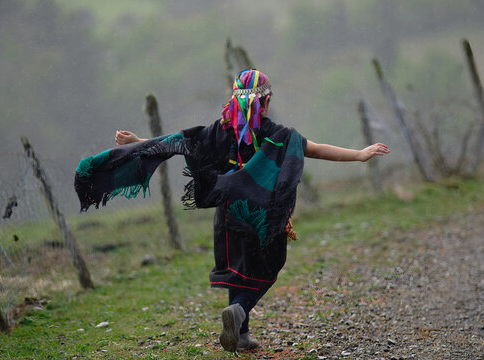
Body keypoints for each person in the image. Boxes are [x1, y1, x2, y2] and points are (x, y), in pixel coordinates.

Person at [106, 69, 389, 352]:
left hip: (229, 215)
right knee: (269, 267)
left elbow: (179, 143)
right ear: (265, 103)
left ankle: (241, 335)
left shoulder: (217, 132)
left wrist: (138, 142)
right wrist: (360, 154)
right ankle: (240, 311)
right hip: (263, 218)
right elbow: (315, 150)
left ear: (235, 100)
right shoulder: (279, 135)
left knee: (236, 271)